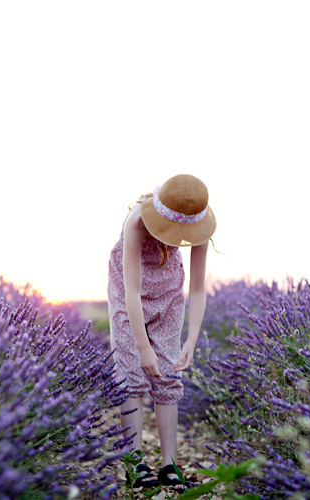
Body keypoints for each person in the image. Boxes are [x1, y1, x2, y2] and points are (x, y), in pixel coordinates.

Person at [107, 174, 216, 492]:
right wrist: (142, 348)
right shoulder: (137, 220)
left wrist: (191, 340)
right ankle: (135, 461)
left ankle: (170, 463)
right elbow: (131, 292)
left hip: (169, 292)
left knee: (169, 373)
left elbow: (197, 290)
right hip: (129, 293)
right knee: (132, 375)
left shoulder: (199, 224)